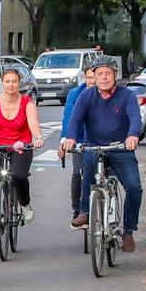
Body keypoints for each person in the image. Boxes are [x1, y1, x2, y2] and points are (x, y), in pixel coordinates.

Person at [60, 56, 143, 253]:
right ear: (93, 77)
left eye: (107, 73)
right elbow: (75, 119)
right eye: (99, 74)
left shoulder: (126, 95)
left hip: (120, 147)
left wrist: (132, 135)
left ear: (116, 75)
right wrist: (70, 137)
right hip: (95, 145)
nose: (104, 78)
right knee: (86, 169)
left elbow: (135, 118)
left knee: (134, 187)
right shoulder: (87, 96)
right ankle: (85, 212)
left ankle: (128, 231)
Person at [0, 64, 43, 232]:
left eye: (14, 81)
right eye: (7, 81)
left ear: (19, 83)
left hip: (21, 146)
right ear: (2, 83)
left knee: (19, 175)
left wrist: (37, 137)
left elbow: (33, 122)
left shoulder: (26, 102)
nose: (11, 85)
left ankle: (24, 204)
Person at [60, 67, 98, 225]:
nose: (92, 81)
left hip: (100, 140)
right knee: (77, 173)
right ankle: (78, 211)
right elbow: (69, 117)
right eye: (88, 78)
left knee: (102, 175)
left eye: (94, 77)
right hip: (80, 139)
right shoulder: (76, 94)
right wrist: (65, 140)